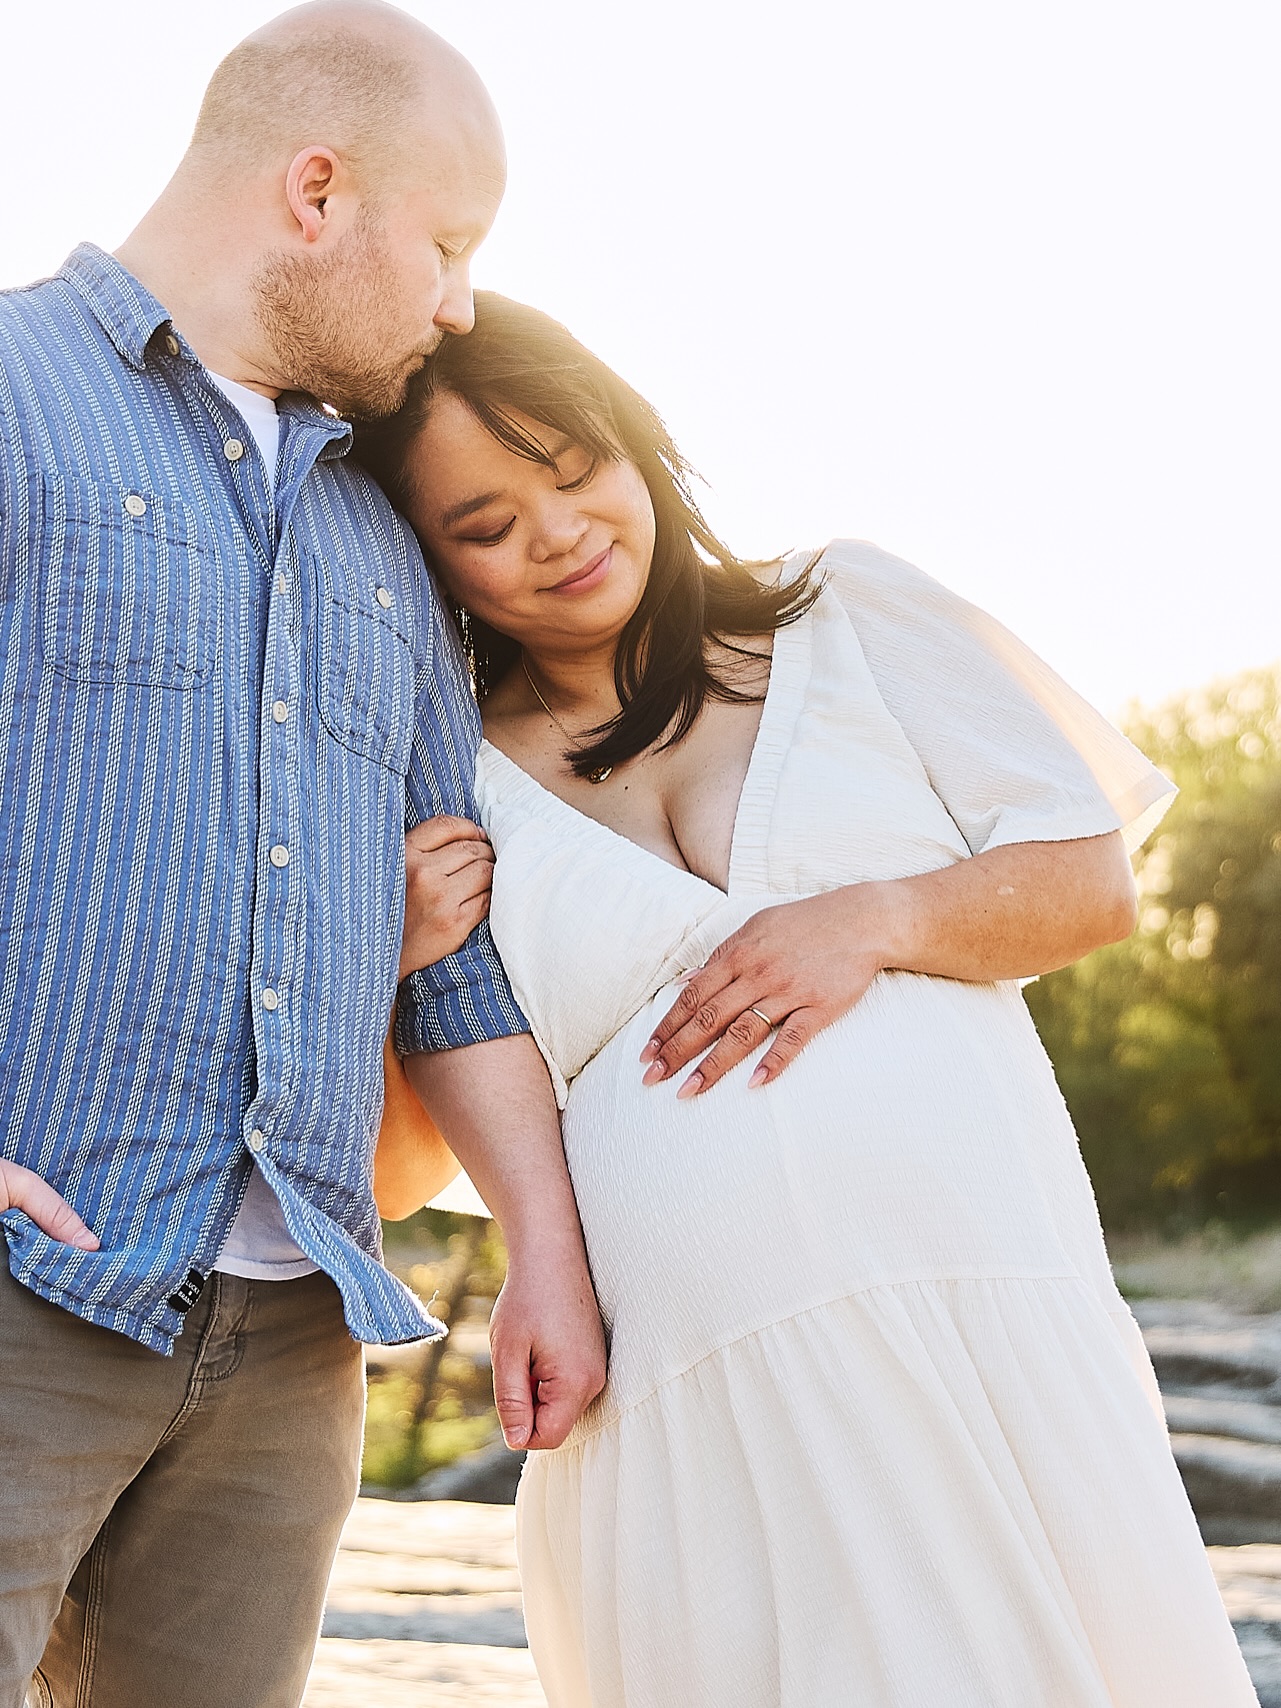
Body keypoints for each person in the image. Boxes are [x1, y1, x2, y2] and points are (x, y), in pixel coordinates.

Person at [368, 292, 1260, 1707]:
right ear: (422, 562)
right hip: (687, 1390)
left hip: (983, 1332)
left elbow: (1090, 884)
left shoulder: (849, 611)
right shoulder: (443, 788)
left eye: (574, 464)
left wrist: (880, 917)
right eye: (483, 525)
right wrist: (408, 961)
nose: (556, 532)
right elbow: (402, 1172)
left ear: (635, 441)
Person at [0, 12, 603, 1707]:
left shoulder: (375, 532)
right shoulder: (10, 395)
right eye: (452, 242)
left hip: (291, 1343)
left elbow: (458, 935)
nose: (459, 302)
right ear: (319, 189)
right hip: (27, 1290)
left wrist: (541, 1253)